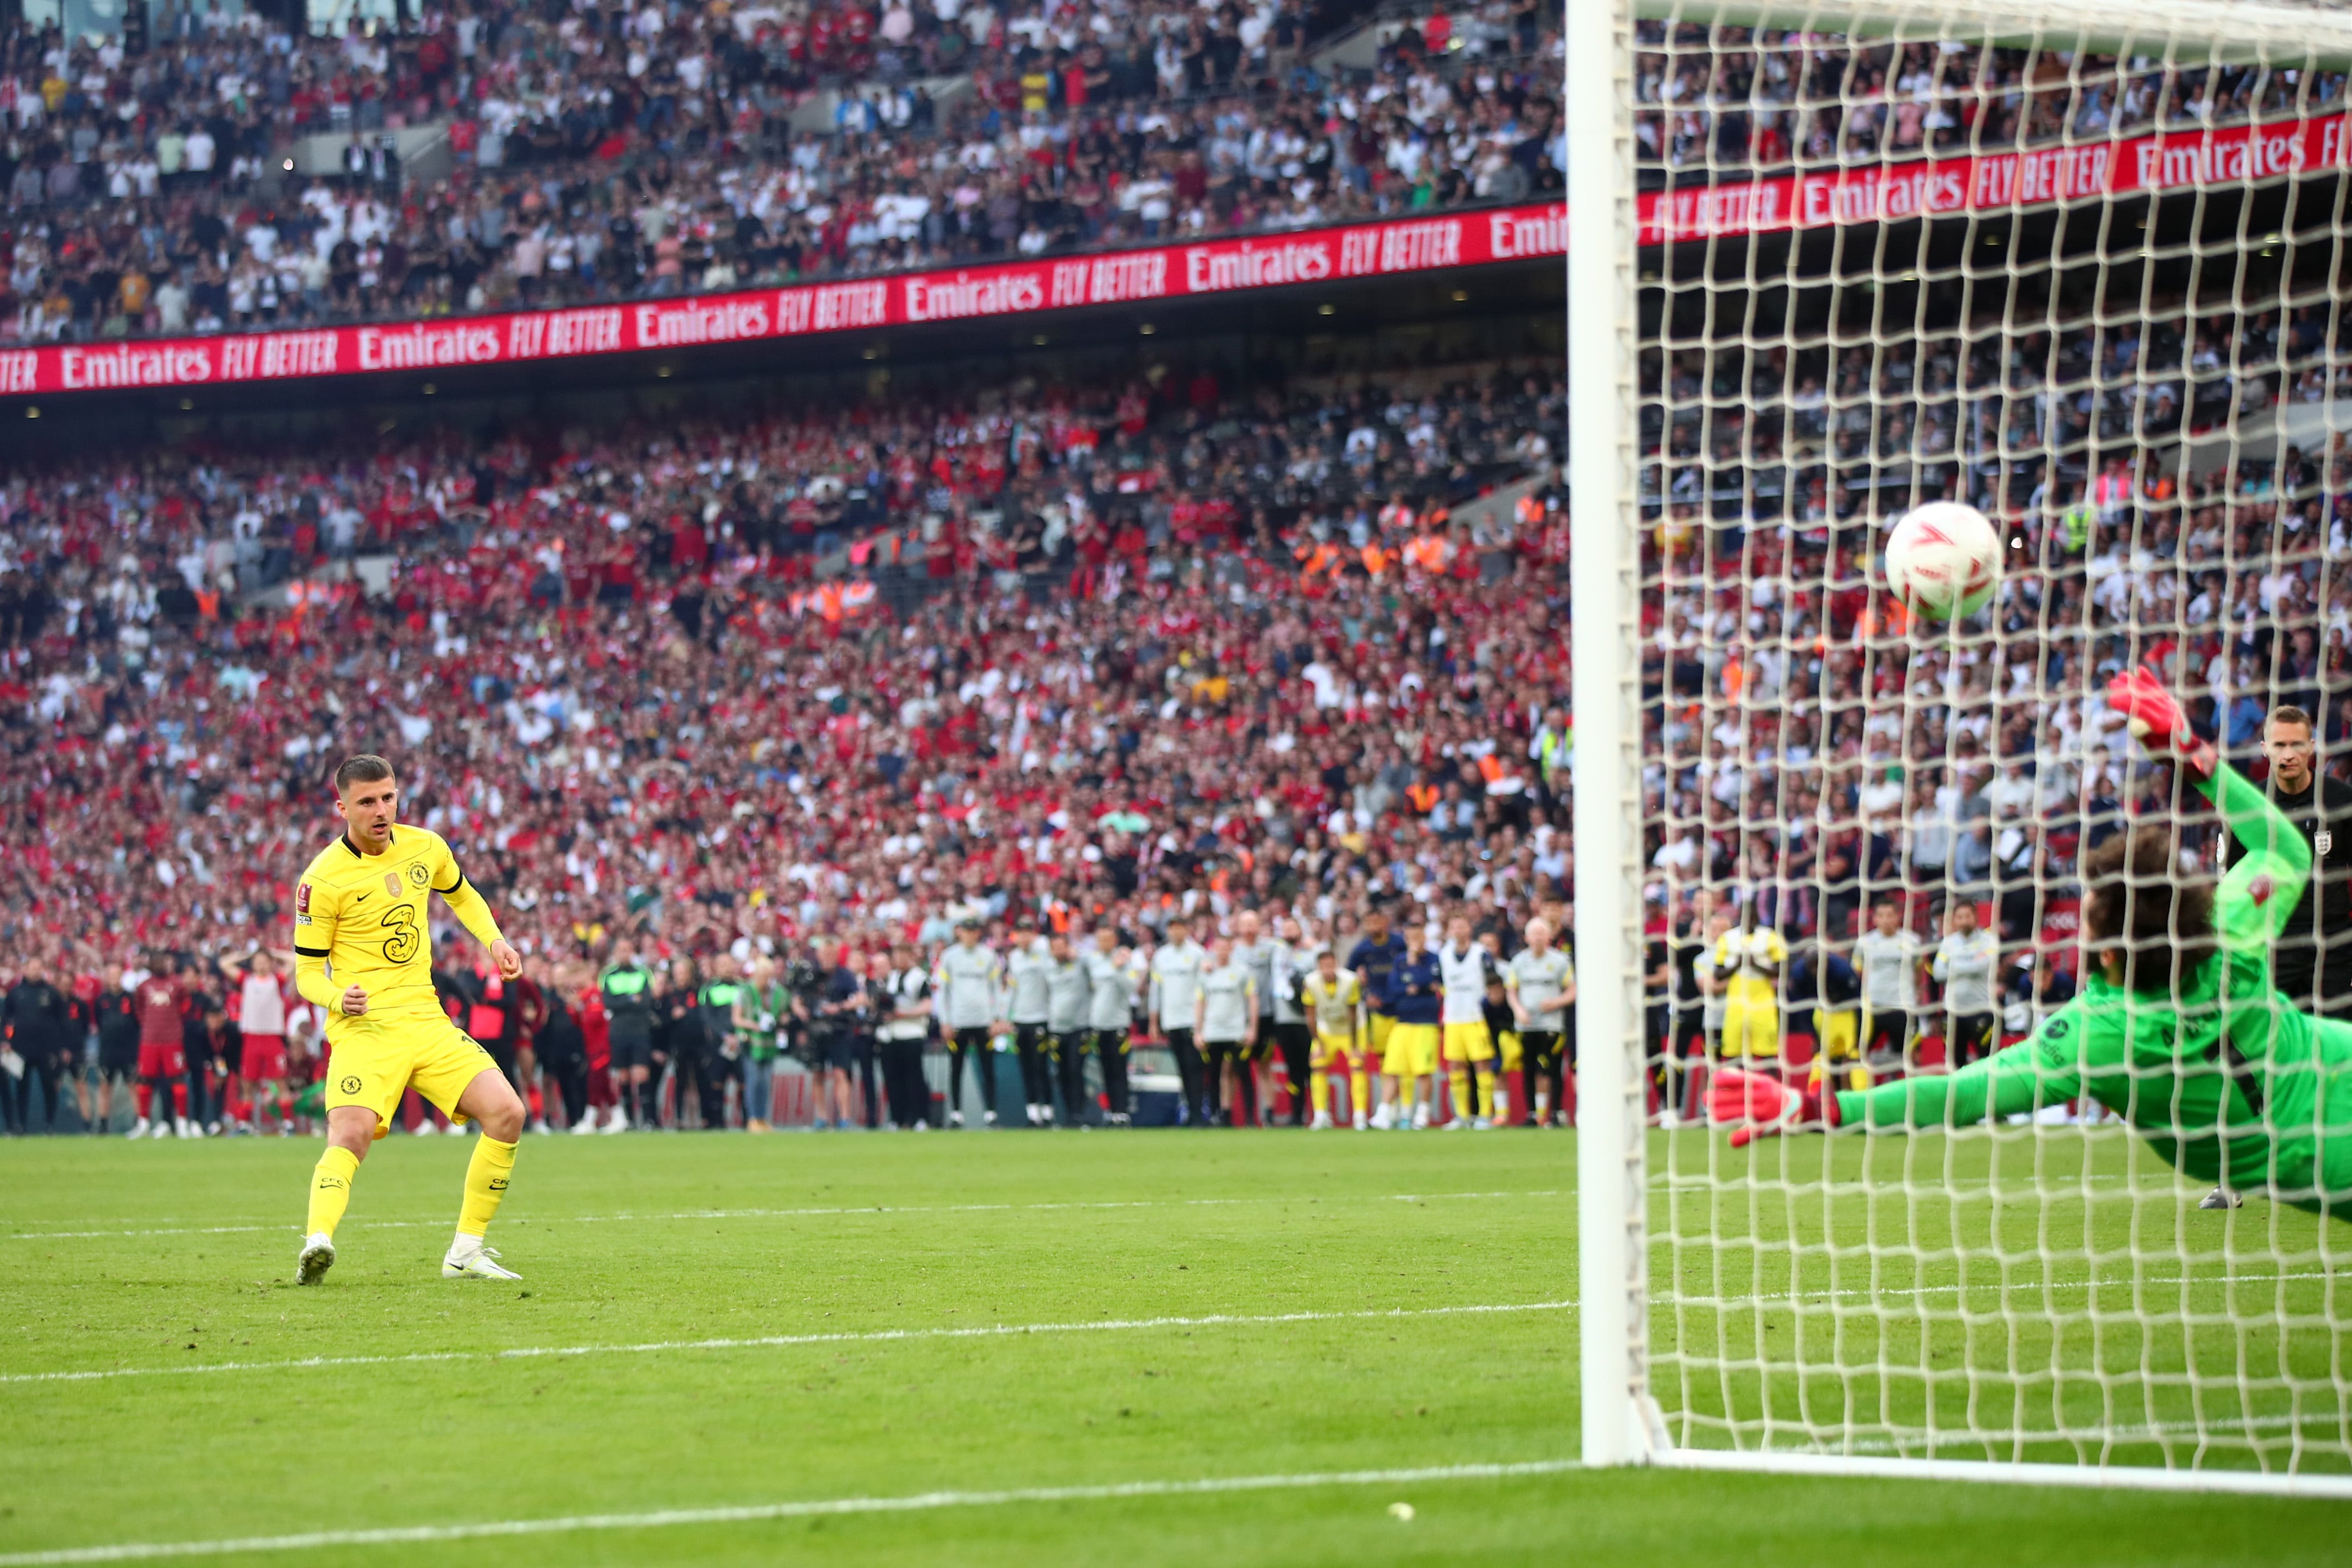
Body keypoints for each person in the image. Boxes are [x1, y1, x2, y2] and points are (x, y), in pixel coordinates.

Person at [1715, 668, 2352, 1221]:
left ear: (2105, 951)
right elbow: (2282, 848)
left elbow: (1959, 1094)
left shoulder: (2096, 1038)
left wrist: (1812, 1107)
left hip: (2316, 1166)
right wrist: (2192, 754)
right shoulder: (2232, 937)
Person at [289, 754, 529, 1286]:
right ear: (342, 807)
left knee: (507, 1112)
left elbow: (462, 894)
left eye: (388, 797)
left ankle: (466, 1251)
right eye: (368, 801)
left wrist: (494, 940)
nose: (381, 810)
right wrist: (336, 998)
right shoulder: (322, 879)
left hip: (425, 1017)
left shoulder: (426, 846)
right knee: (350, 1134)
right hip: (366, 1027)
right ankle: (317, 1241)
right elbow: (306, 973)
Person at [1506, 915, 1575, 1129]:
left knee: (1552, 1068)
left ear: (1549, 937)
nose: (1538, 938)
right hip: (1527, 1024)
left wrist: (1556, 1002)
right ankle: (1532, 1114)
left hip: (1551, 1024)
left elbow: (1574, 990)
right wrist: (1518, 1010)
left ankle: (1555, 1112)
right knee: (1529, 1068)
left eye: (1541, 934)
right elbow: (1511, 990)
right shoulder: (1519, 962)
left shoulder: (1559, 961)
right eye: (1534, 934)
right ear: (1527, 937)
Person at [934, 917, 1004, 1127]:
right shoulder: (949, 956)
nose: (970, 935)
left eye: (974, 931)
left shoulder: (988, 955)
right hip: (958, 1021)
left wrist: (997, 1019)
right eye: (967, 930)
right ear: (960, 932)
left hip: (983, 1021)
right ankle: (956, 1113)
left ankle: (991, 1112)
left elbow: (997, 989)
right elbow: (942, 991)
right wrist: (945, 1021)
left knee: (988, 1067)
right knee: (956, 1069)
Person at [1436, 914, 1499, 1129]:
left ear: (1469, 929)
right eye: (1454, 926)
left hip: (1475, 1017)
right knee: (1455, 1065)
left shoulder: (1480, 954)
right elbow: (1440, 985)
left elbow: (1493, 982)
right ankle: (1462, 1116)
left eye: (1461, 926)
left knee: (1482, 1063)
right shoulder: (1443, 955)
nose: (1458, 931)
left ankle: (1484, 1115)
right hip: (1453, 1018)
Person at [1346, 907, 1408, 1126]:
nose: (1374, 927)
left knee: (1404, 1061)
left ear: (1385, 921)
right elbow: (1348, 976)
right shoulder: (1363, 949)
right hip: (1379, 1013)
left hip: (1402, 1010)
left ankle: (1404, 1111)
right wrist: (1364, 995)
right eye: (1369, 923)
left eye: (1377, 922)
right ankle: (1391, 1109)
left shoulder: (1399, 944)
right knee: (1386, 1062)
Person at [1380, 917, 1441, 1130]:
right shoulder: (1399, 961)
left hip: (1426, 1022)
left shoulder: (1434, 959)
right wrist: (1414, 986)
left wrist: (1415, 969)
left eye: (1418, 937)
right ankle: (1384, 1113)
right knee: (1391, 1069)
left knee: (1423, 1071)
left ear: (1425, 937)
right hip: (1403, 1021)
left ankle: (1422, 1115)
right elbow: (1393, 989)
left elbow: (1431, 981)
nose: (1415, 942)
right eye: (1411, 938)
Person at [1711, 892, 1786, 1065]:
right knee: (1733, 1057)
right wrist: (1738, 965)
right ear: (1738, 916)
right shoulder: (1728, 939)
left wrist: (1756, 965)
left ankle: (1771, 1092)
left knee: (1768, 1057)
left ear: (1758, 915)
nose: (1749, 919)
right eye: (1745, 915)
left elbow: (1782, 970)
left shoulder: (1770, 937)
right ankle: (1737, 1091)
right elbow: (1718, 974)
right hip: (1736, 1007)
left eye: (1752, 915)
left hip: (1764, 1006)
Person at [1149, 913, 1209, 1126]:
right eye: (1172, 928)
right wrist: (1154, 1022)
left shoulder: (1197, 954)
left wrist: (1203, 1022)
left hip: (1192, 1020)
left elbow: (1204, 990)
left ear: (1187, 929)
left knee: (1195, 1068)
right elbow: (1156, 991)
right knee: (1182, 1068)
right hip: (1171, 1020)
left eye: (1180, 927)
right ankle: (1189, 1111)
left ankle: (1197, 1113)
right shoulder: (1161, 956)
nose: (1176, 932)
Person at [4, 955, 75, 1134]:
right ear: (25, 969)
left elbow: (63, 1022)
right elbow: (6, 1020)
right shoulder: (15, 993)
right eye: (33, 968)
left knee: (49, 1088)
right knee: (22, 1089)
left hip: (47, 1049)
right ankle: (20, 1125)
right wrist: (5, 1041)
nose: (36, 972)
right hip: (21, 1049)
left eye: (39, 968)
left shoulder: (51, 993)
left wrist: (64, 1046)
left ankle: (49, 1124)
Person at [1299, 947, 1366, 1129]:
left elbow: (1353, 1014)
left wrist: (1354, 1045)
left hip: (1351, 1029)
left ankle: (1360, 1115)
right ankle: (1321, 1115)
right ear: (1319, 967)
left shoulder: (1350, 980)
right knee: (1318, 1067)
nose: (1328, 970)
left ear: (1336, 965)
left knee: (1356, 1066)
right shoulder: (1310, 982)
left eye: (1331, 965)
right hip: (1326, 1029)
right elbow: (1310, 1015)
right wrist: (1317, 1042)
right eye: (1324, 966)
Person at [1854, 898, 1926, 1071]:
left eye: (1890, 915)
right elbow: (1858, 971)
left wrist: (1914, 993)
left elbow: (1919, 971)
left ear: (1898, 917)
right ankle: (1855, 1094)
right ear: (1875, 919)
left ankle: (1912, 1095)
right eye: (1881, 915)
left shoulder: (1912, 942)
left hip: (1902, 1006)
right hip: (1874, 1007)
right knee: (1856, 1054)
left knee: (1910, 1056)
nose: (1886, 920)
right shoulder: (1865, 943)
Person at [1195, 934, 1258, 1126]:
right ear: (1214, 949)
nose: (1222, 952)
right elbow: (1200, 1002)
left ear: (1231, 949)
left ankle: (1250, 1117)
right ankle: (1218, 1116)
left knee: (1243, 1074)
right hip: (1213, 1032)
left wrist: (1252, 1028)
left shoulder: (1242, 971)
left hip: (1236, 1031)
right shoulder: (1206, 973)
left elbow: (1253, 1000)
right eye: (1219, 948)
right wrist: (1198, 1030)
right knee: (1214, 1076)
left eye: (1226, 948)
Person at [229, 950, 294, 1135]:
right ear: (253, 964)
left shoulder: (277, 980)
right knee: (248, 1083)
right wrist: (244, 955)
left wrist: (275, 953)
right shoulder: (246, 980)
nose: (261, 965)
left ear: (271, 963)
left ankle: (288, 1123)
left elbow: (295, 961)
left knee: (280, 1081)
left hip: (272, 1036)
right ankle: (244, 1124)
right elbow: (224, 964)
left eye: (265, 961)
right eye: (258, 961)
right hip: (251, 1036)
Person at [1932, 901, 2000, 1069]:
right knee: (1955, 1064)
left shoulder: (1989, 941)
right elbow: (1938, 973)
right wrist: (1970, 964)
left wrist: (1953, 966)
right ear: (1954, 920)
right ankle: (1958, 1096)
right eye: (1960, 917)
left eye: (1967, 916)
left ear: (1976, 917)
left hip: (1981, 1009)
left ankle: (1988, 1095)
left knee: (1987, 1062)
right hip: (1953, 1011)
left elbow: (1982, 967)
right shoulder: (1947, 943)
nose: (1964, 921)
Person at [131, 954, 192, 1139]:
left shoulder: (178, 985)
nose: (160, 965)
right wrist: (151, 1026)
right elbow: (139, 1010)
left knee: (178, 1079)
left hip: (172, 1040)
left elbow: (186, 1007)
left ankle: (182, 1122)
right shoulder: (144, 987)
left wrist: (172, 1024)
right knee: (145, 1079)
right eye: (156, 961)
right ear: (150, 965)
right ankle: (143, 1123)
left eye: (163, 962)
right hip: (149, 1040)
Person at [599, 937, 656, 1131]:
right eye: (621, 950)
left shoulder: (643, 973)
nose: (624, 953)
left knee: (641, 1075)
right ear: (615, 953)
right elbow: (609, 1003)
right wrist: (632, 998)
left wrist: (623, 1000)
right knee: (622, 1076)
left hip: (640, 1030)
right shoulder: (608, 975)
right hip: (618, 1031)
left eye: (628, 949)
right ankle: (629, 1120)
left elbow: (647, 1002)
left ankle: (648, 1120)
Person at [1083, 926, 1137, 1126]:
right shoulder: (1093, 962)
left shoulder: (1123, 961)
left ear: (1115, 941)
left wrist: (1117, 968)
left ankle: (1122, 1111)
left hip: (1118, 1023)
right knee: (1105, 1069)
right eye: (1101, 939)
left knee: (1120, 1069)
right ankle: (1110, 1110)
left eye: (1108, 939)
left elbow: (1130, 988)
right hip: (1099, 1024)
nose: (1104, 943)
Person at [876, 944, 934, 1131]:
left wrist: (905, 1014)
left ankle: (920, 1117)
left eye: (904, 954)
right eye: (897, 955)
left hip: (912, 1032)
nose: (900, 959)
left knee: (914, 1078)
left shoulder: (920, 977)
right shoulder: (891, 978)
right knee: (893, 1079)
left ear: (911, 955)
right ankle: (897, 1118)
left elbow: (927, 1006)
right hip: (892, 1034)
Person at [1005, 918, 1056, 1126]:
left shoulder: (1043, 955)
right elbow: (1011, 989)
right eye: (1020, 933)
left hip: (1041, 1017)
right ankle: (1032, 1111)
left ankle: (1048, 1110)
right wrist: (1006, 1016)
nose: (1024, 937)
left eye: (1028, 932)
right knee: (1026, 1066)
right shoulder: (1014, 958)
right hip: (1021, 1019)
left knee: (1041, 1066)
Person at [1266, 916, 1316, 1126]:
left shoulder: (1310, 952)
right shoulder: (1275, 950)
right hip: (1284, 1018)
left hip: (1306, 1018)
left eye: (1292, 928)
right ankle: (1297, 1114)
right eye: (1285, 929)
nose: (1289, 933)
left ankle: (1318, 1113)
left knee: (1310, 1068)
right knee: (1292, 1068)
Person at [1043, 929, 1093, 1126]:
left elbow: (1096, 967)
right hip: (1057, 1028)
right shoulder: (1048, 968)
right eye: (1055, 948)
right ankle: (1068, 1114)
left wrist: (1079, 954)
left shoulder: (1080, 962)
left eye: (1062, 947)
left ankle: (1078, 1113)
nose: (1059, 951)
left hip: (1079, 1026)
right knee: (1061, 1072)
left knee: (1076, 1070)